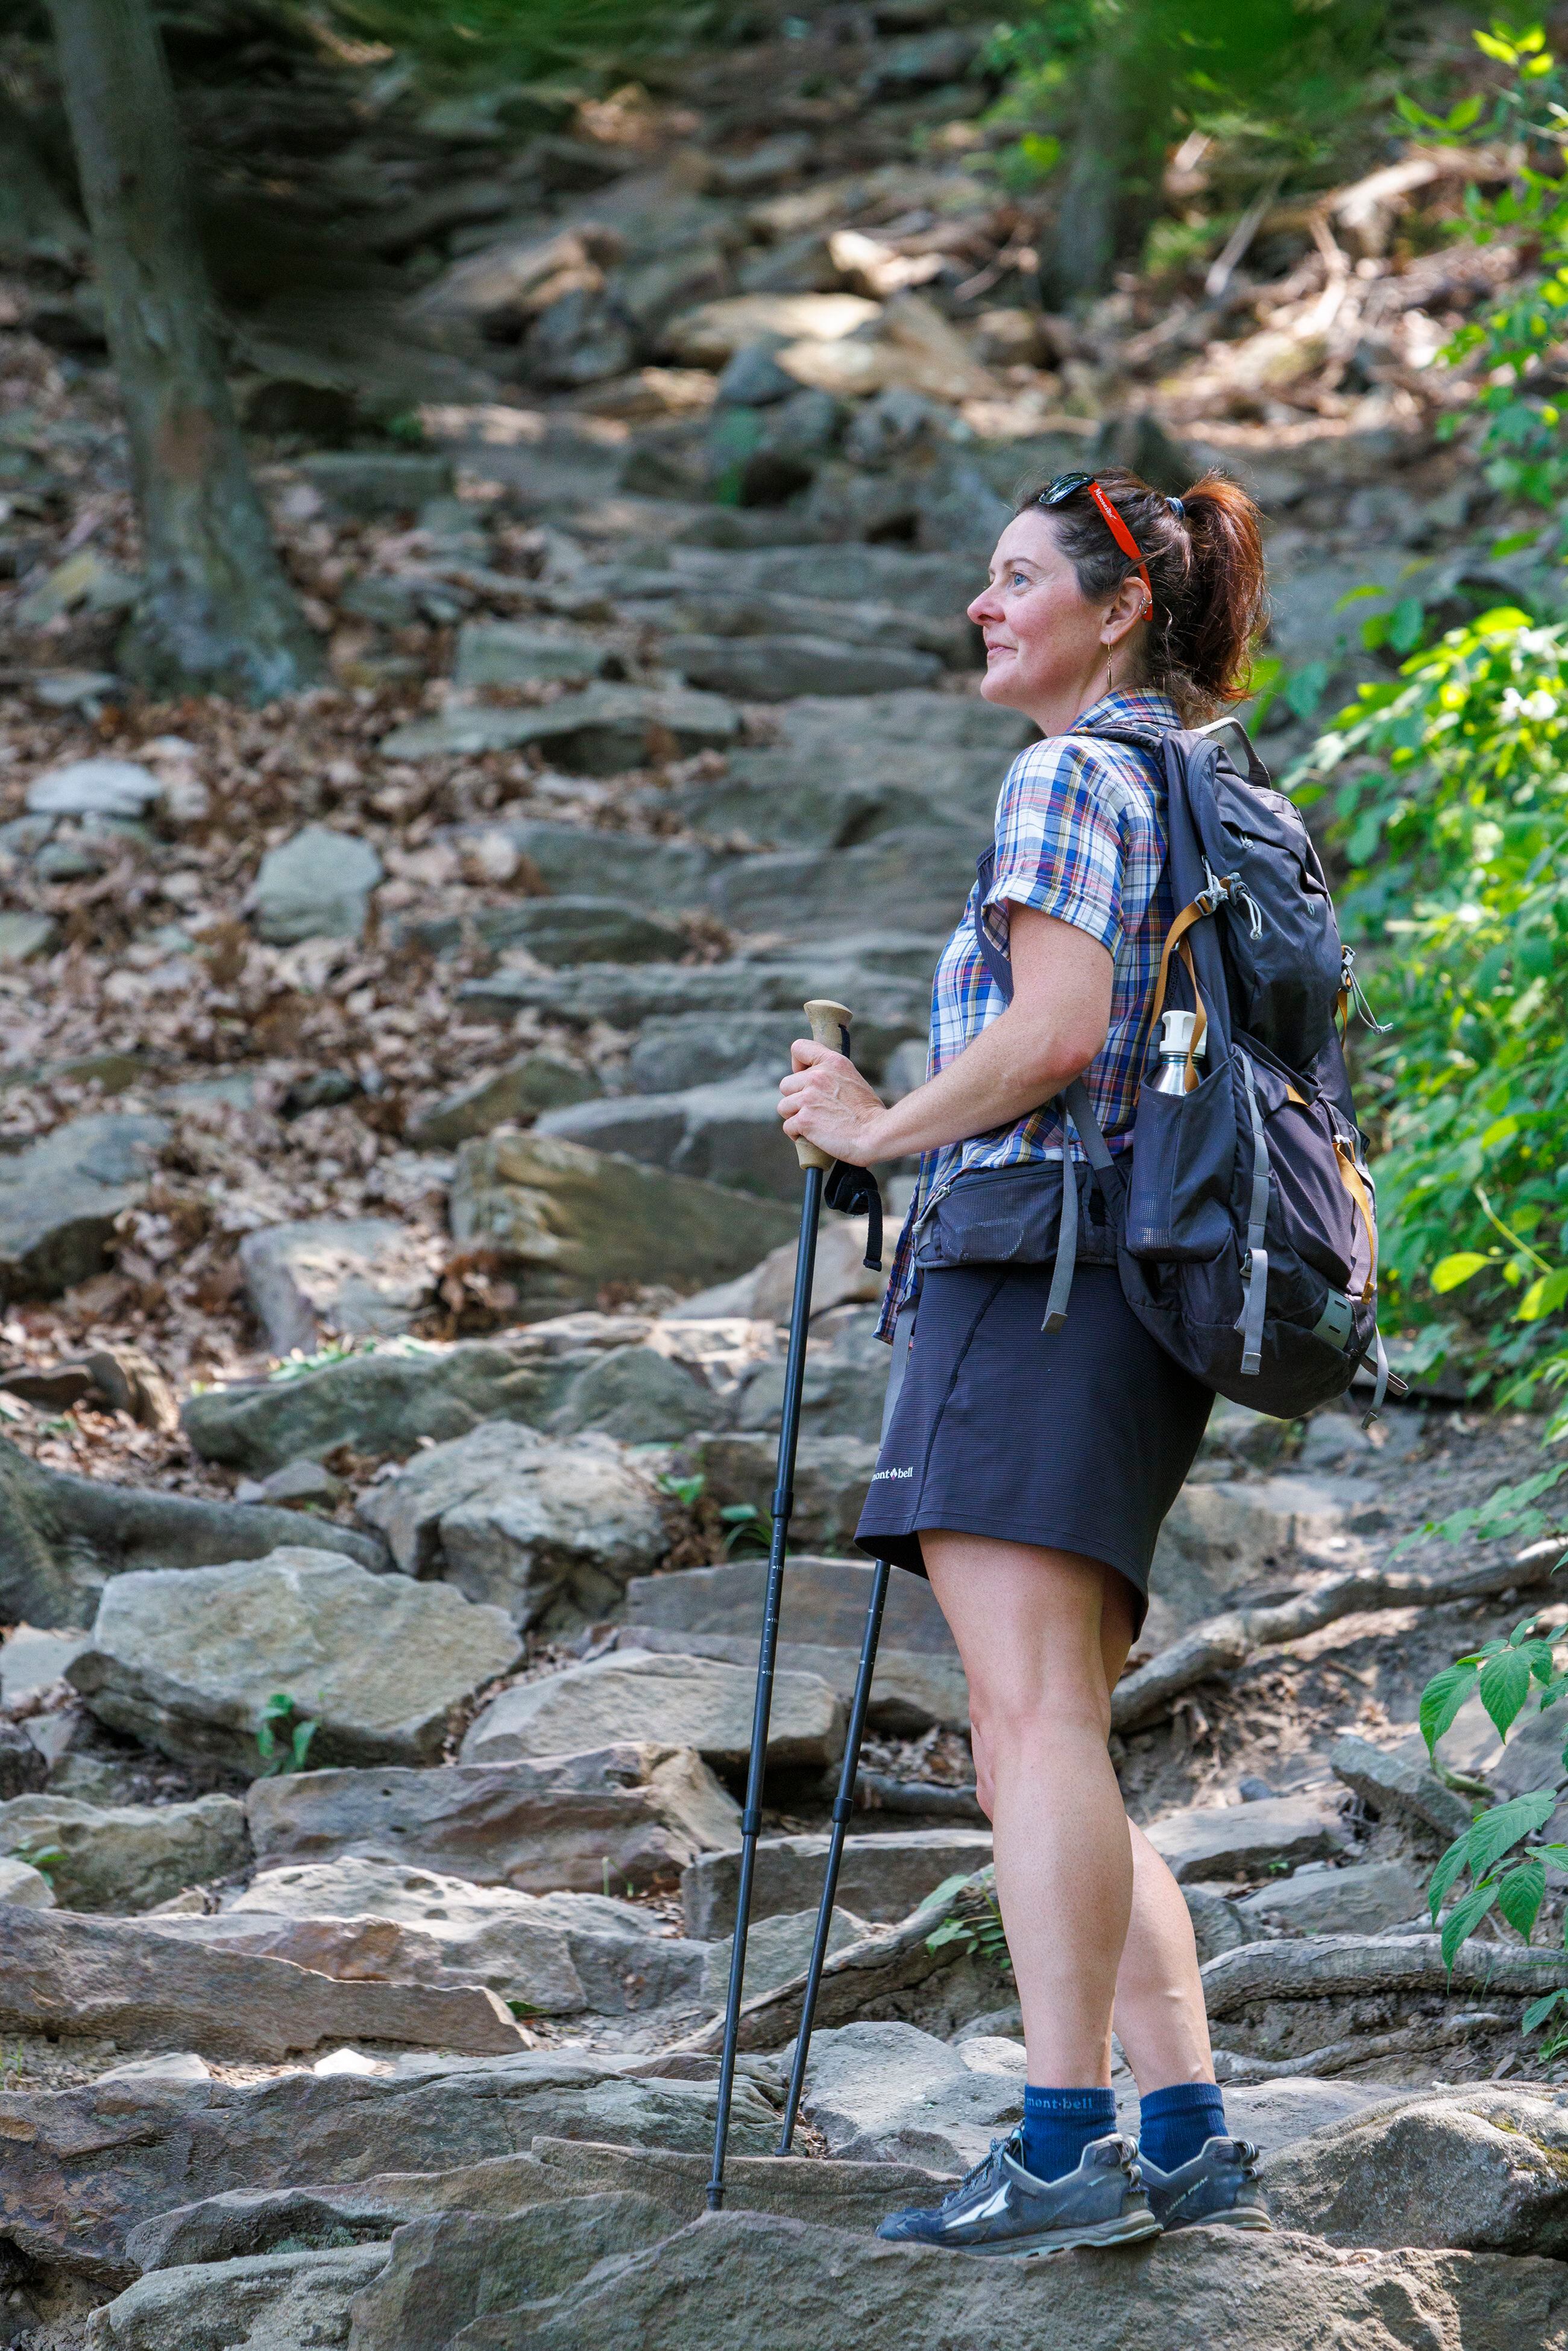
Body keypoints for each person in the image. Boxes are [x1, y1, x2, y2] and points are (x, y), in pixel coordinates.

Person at [775, 467, 1274, 2255]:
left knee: (1028, 1721)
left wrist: (873, 1127)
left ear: (1115, 604)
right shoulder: (1197, 778)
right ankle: (1183, 2125)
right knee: (1047, 1731)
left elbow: (1053, 1033)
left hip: (1037, 1266)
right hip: (1135, 1281)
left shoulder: (1071, 770)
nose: (980, 608)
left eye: (1011, 579)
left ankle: (1061, 2141)